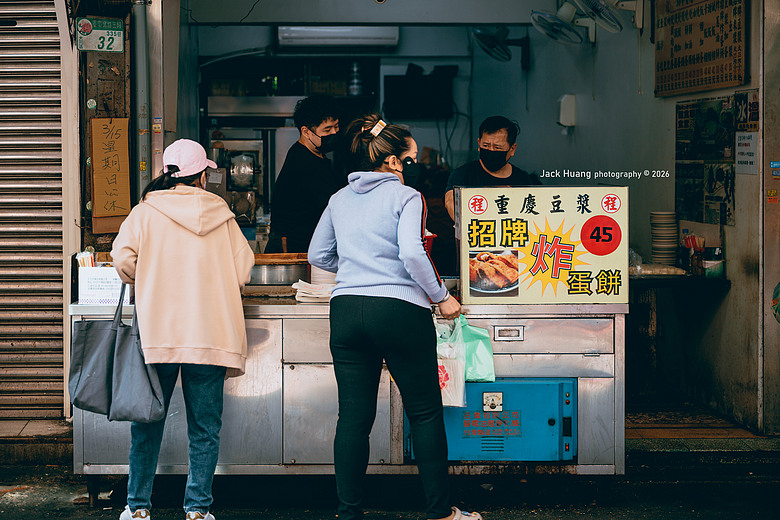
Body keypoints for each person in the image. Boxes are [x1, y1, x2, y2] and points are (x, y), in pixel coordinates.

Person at [308, 114, 482, 520]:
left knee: (353, 416)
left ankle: (348, 512)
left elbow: (318, 255)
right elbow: (411, 252)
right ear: (390, 162)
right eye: (409, 158)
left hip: (347, 309)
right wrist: (442, 297)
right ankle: (440, 512)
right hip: (400, 309)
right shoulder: (407, 197)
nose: (411, 164)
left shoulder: (339, 199)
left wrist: (356, 265)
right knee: (423, 412)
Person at [111, 139, 255, 520]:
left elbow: (123, 261)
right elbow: (243, 271)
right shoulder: (222, 213)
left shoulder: (145, 212)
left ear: (167, 171)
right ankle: (197, 509)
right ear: (203, 175)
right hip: (211, 336)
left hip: (159, 335)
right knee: (205, 429)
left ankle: (138, 507)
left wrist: (152, 278)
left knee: (146, 425)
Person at [266, 94, 342, 253]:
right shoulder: (303, 161)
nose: (334, 133)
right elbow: (335, 205)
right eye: (327, 129)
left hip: (306, 246)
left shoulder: (316, 154)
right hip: (291, 250)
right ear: (306, 132)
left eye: (336, 126)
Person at [444, 115, 541, 220]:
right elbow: (450, 201)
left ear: (512, 149)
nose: (491, 150)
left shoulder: (522, 179)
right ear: (479, 143)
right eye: (485, 146)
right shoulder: (462, 174)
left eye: (497, 147)